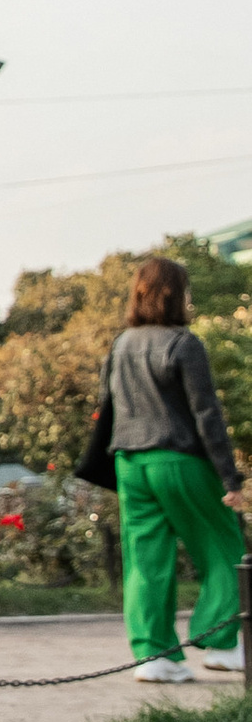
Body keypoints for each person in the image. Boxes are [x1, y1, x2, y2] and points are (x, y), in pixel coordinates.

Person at [98, 255, 246, 681]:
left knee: (145, 559)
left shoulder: (121, 344)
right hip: (178, 458)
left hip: (130, 461)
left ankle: (154, 657)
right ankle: (220, 642)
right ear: (175, 294)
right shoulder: (184, 343)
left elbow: (108, 407)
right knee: (225, 547)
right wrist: (229, 478)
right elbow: (207, 415)